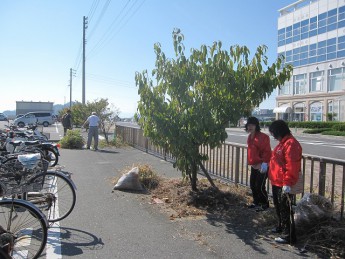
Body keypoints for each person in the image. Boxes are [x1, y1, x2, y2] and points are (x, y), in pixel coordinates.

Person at [268, 120, 302, 245]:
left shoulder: (291, 144)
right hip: (277, 180)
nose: (273, 136)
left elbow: (292, 165)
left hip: (284, 182)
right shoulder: (282, 143)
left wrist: (287, 182)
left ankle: (289, 236)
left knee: (286, 209)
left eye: (273, 133)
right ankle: (281, 227)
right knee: (279, 206)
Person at [245, 116, 271, 212]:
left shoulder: (263, 137)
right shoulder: (250, 136)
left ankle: (265, 204)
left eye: (252, 125)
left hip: (263, 165)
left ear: (256, 126)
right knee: (252, 184)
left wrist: (265, 163)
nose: (250, 127)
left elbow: (267, 151)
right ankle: (256, 202)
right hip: (254, 165)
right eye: (248, 125)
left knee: (259, 186)